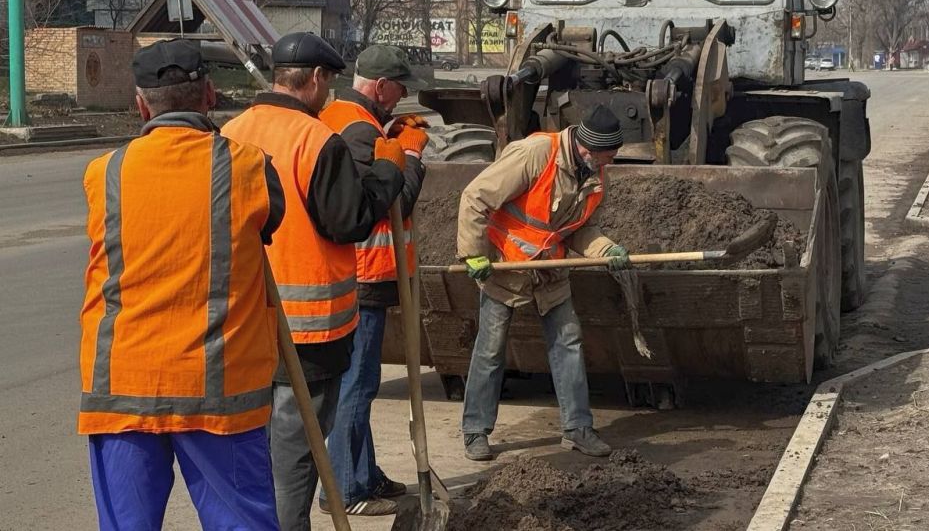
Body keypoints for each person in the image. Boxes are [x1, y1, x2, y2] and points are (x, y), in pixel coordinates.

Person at [80, 40, 286, 530]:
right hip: (218, 391)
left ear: (140, 105)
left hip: (124, 387)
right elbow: (270, 222)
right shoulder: (250, 167)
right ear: (209, 95)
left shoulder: (104, 173)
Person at [222, 32, 406, 531]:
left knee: (253, 447)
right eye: (329, 83)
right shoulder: (317, 139)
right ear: (318, 78)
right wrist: (389, 171)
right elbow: (349, 220)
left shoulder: (230, 133)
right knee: (297, 454)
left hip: (244, 321)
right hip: (310, 329)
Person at [457, 104, 632, 461]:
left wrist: (606, 249)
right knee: (490, 349)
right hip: (505, 267)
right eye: (607, 156)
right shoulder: (535, 154)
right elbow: (476, 197)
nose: (609, 163)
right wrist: (473, 253)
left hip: (550, 271)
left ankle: (578, 428)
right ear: (588, 148)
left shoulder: (595, 175)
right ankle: (475, 430)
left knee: (569, 343)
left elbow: (582, 230)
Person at [316, 45, 430, 516]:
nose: (403, 97)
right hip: (364, 276)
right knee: (357, 386)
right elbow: (391, 202)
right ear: (381, 87)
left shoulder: (346, 119)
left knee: (359, 382)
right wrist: (411, 155)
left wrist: (393, 138)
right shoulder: (358, 130)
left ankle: (364, 474)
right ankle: (345, 490)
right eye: (400, 89)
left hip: (358, 274)